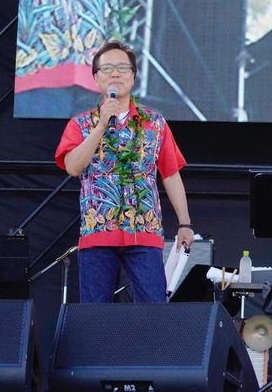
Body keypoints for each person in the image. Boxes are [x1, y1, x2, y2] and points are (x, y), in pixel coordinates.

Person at [55, 40, 194, 303]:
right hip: (97, 232)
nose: (115, 74)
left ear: (133, 76)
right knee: (95, 316)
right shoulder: (80, 124)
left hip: (144, 232)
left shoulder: (155, 124)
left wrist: (185, 223)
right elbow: (73, 167)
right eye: (107, 68)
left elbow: (170, 173)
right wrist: (100, 126)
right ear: (96, 78)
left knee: (152, 311)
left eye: (122, 67)